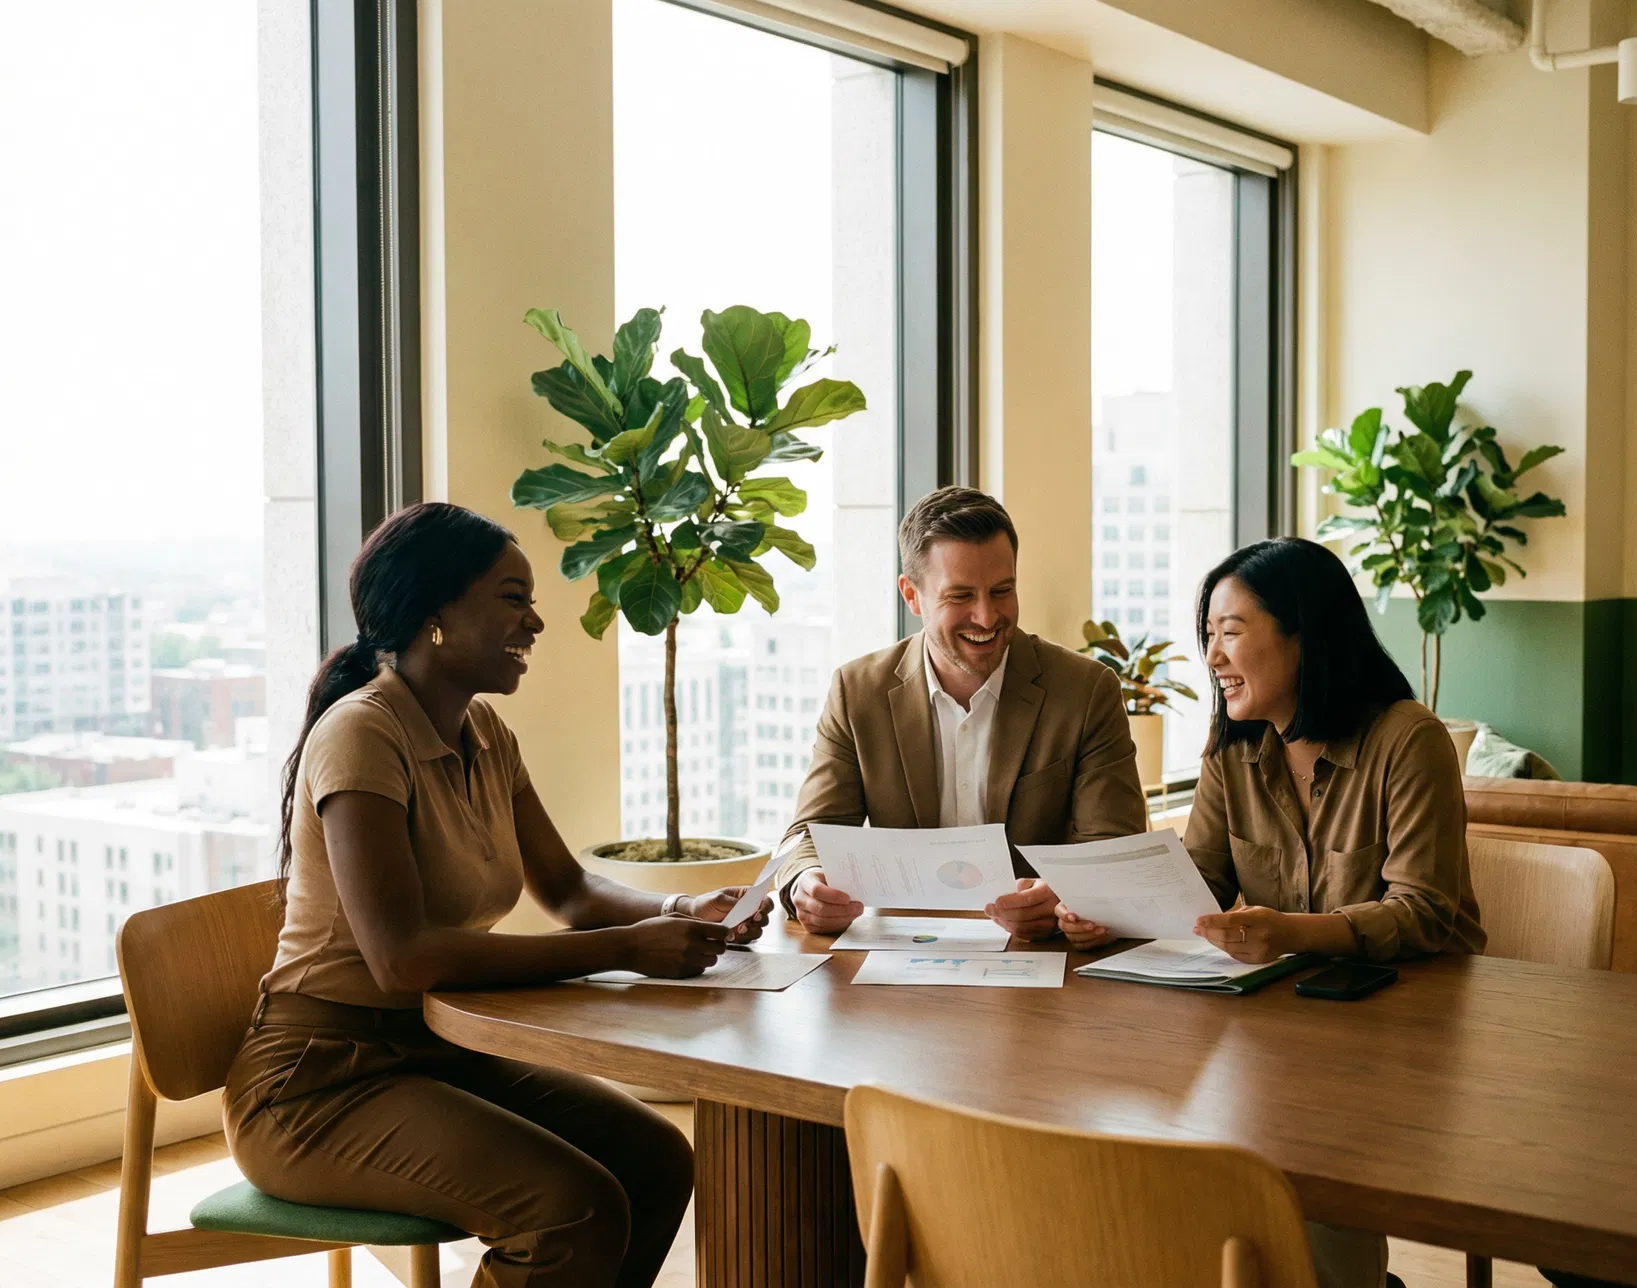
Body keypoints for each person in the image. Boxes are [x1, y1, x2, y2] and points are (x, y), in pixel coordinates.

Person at [224, 502, 770, 1288]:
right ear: (436, 614)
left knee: (654, 1160)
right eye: (513, 598)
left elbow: (571, 888)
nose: (537, 622)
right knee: (572, 1209)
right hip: (316, 1084)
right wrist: (627, 948)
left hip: (437, 1053)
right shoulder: (361, 735)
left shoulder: (485, 734)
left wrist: (679, 912)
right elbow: (401, 959)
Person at [1058, 536, 1484, 1288]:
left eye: (1231, 632)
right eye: (1209, 635)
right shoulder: (1234, 747)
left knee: (1311, 1180)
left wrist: (1290, 931)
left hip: (1407, 1032)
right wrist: (1110, 907)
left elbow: (1422, 914)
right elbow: (1205, 875)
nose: (1213, 658)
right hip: (1281, 1025)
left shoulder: (1406, 739)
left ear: (1303, 635)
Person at [772, 486, 1149, 937]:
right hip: (904, 958)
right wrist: (806, 884)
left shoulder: (1086, 690)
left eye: (1002, 591)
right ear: (912, 596)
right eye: (960, 596)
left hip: (1042, 960)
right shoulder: (857, 692)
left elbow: (1116, 845)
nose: (987, 617)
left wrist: (1067, 892)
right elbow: (811, 835)